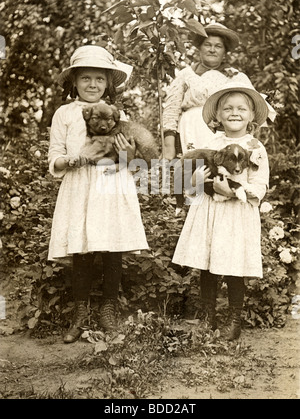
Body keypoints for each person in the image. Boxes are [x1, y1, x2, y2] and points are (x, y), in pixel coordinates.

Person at [48, 45, 149, 343]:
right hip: (79, 185)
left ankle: (108, 310)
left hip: (112, 185)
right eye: (85, 79)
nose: (93, 85)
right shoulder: (64, 114)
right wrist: (67, 161)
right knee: (81, 248)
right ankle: (80, 312)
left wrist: (130, 155)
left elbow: (137, 161)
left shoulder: (119, 115)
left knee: (111, 247)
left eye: (99, 79)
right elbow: (55, 152)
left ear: (109, 84)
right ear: (74, 83)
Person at [172, 80, 270, 340]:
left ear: (251, 116)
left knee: (233, 265)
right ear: (218, 115)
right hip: (210, 213)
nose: (234, 113)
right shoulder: (210, 142)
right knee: (207, 265)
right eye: (227, 109)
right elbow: (190, 181)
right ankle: (208, 317)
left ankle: (233, 319)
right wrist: (193, 182)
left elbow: (260, 185)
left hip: (237, 215)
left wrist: (236, 192)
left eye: (241, 108)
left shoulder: (255, 148)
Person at [163, 22, 272, 159]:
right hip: (191, 130)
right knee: (195, 170)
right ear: (200, 48)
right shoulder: (186, 74)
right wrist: (169, 147)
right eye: (208, 45)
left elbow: (253, 114)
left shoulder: (237, 77)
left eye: (218, 46)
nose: (212, 50)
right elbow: (171, 111)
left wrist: (248, 144)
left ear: (224, 51)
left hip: (227, 133)